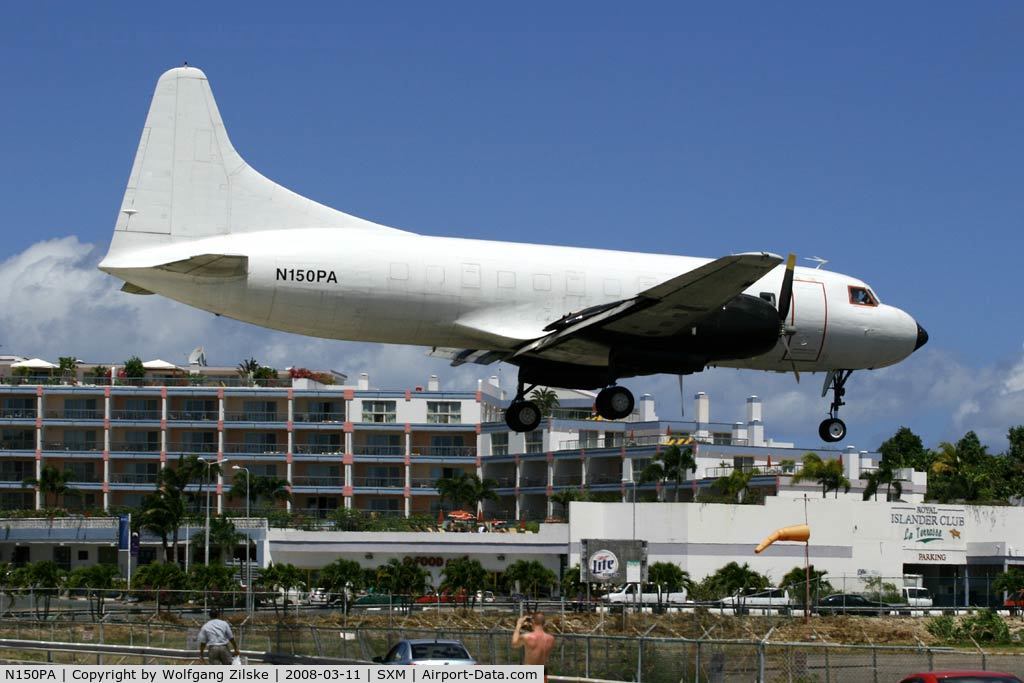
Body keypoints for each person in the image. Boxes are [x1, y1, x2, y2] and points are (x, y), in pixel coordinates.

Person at [512, 612, 555, 681]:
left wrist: (518, 625)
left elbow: (514, 644)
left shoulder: (527, 637)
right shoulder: (551, 639)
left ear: (532, 621)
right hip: (543, 671)